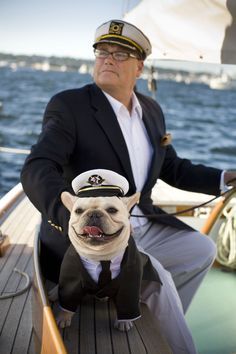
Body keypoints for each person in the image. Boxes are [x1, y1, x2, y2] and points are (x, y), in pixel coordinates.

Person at [21, 19, 236, 353]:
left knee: (202, 250)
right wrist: (72, 221)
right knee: (159, 280)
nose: (108, 58)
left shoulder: (151, 111)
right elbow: (38, 166)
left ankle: (151, 312)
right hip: (94, 230)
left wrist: (224, 177)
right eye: (102, 52)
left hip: (140, 221)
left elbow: (171, 167)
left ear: (139, 67)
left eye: (120, 54)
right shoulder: (70, 106)